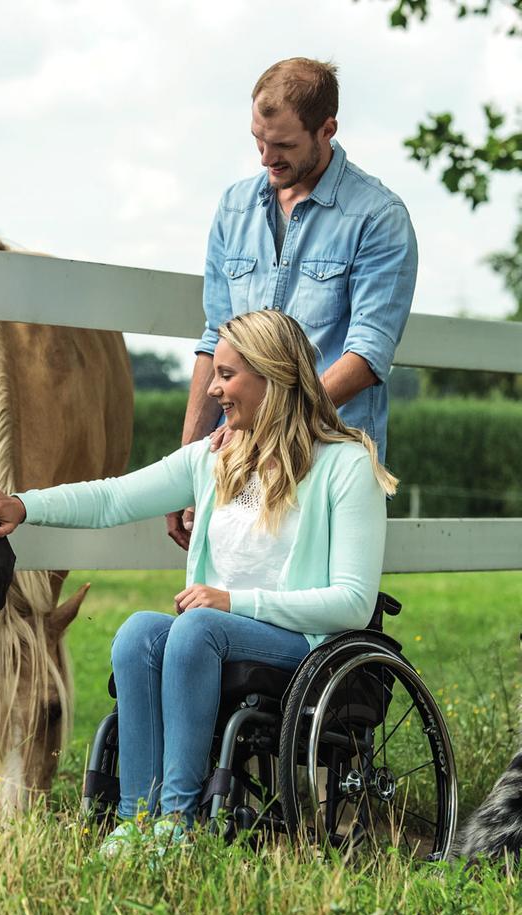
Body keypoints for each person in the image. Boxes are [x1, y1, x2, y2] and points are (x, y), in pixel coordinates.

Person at [0, 309, 397, 857]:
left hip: (305, 646)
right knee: (139, 632)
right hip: (214, 632)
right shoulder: (215, 460)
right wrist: (21, 504)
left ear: (273, 376)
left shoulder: (346, 466)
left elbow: (353, 604)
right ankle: (137, 819)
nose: (214, 388)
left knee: (196, 628)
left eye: (228, 375)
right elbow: (113, 497)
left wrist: (232, 602)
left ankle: (178, 821)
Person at [167, 57, 417, 551]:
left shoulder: (379, 218)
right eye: (258, 140)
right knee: (215, 607)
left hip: (326, 464)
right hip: (234, 463)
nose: (266, 157)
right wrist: (188, 461)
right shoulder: (234, 208)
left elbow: (366, 356)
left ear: (328, 130)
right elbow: (214, 340)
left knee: (318, 619)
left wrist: (269, 428)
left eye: (283, 145)